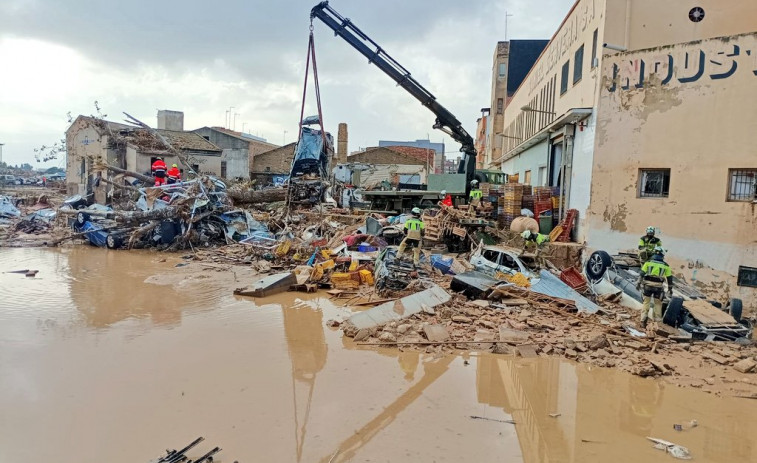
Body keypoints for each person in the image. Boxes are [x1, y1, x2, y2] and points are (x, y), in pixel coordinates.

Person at [636, 246, 673, 328]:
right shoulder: (666, 266)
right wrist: (670, 289)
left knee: (646, 303)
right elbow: (669, 278)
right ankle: (657, 323)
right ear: (662, 255)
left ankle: (643, 321)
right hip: (658, 288)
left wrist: (638, 283)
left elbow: (641, 274)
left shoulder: (648, 262)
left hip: (647, 286)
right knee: (658, 304)